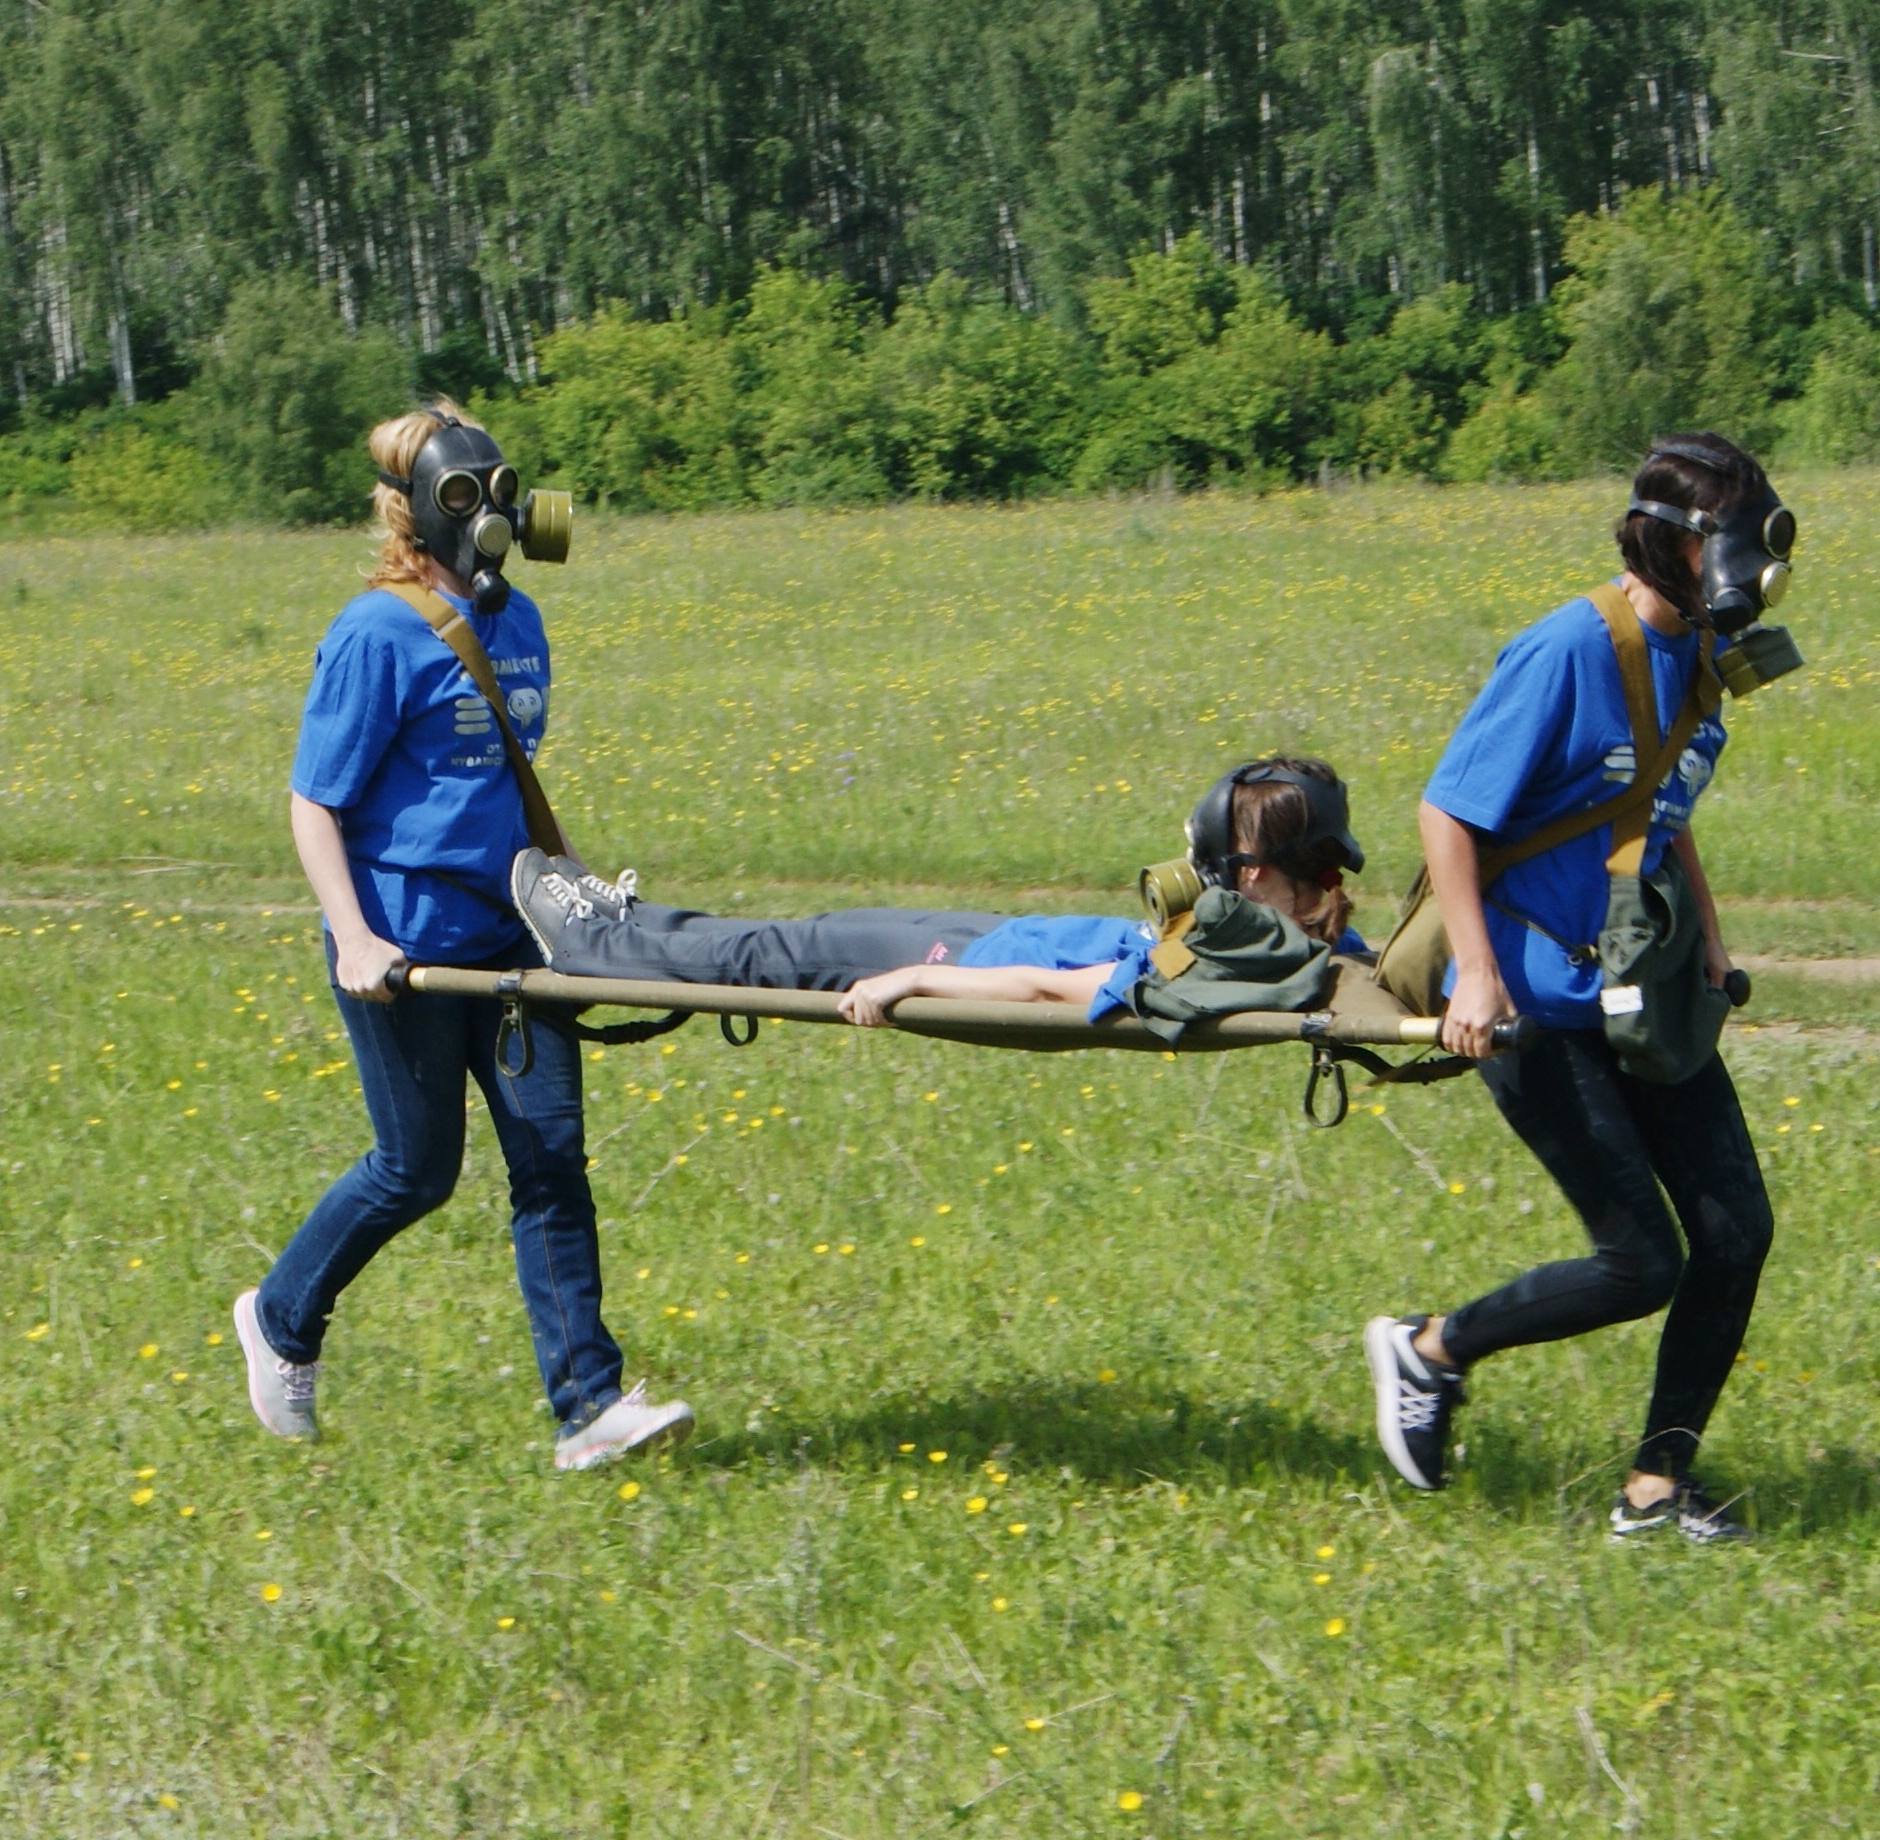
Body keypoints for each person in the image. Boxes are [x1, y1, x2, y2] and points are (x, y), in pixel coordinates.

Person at [231, 402, 689, 1472]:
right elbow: (313, 802)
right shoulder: (375, 632)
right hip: (404, 947)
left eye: (502, 490)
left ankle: (589, 1408)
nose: (495, 513)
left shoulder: (519, 619)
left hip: (512, 933)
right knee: (414, 1171)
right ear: (419, 514)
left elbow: (509, 783)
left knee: (550, 1161)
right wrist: (352, 937)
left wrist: (577, 895)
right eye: (467, 496)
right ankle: (281, 1319)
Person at [1361, 433, 1788, 1542]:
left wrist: (1707, 937)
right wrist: (1480, 978)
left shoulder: (1696, 655)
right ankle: (1427, 1350)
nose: (1762, 564)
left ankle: (1656, 1487)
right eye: (1743, 539)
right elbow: (1446, 813)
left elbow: (1661, 801)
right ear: (1683, 547)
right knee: (1639, 1261)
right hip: (1532, 1003)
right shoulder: (1565, 651)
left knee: (1736, 1230)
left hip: (1638, 981)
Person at [508, 757, 1376, 1026]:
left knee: (779, 952)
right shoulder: (1304, 935)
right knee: (789, 933)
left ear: (1255, 875)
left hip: (973, 959)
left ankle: (595, 944)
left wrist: (912, 982)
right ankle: (622, 918)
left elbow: (1054, 993)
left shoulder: (1222, 961)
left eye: (1211, 861)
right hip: (1007, 932)